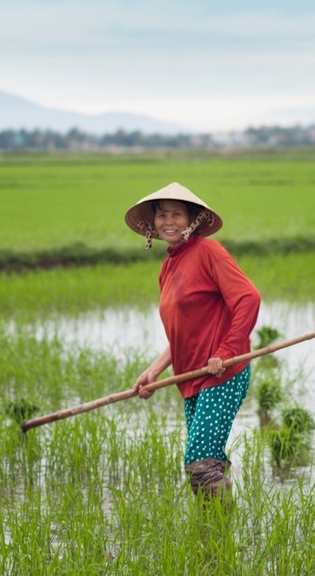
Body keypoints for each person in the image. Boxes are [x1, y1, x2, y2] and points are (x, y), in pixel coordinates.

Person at [126, 182, 261, 500]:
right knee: (207, 461)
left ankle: (219, 537)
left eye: (177, 214)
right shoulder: (168, 266)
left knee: (198, 462)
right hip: (192, 378)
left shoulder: (208, 252)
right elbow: (184, 334)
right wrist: (154, 371)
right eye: (161, 215)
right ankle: (215, 538)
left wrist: (226, 351)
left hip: (222, 374)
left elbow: (248, 298)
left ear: (193, 221)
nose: (168, 221)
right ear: (153, 223)